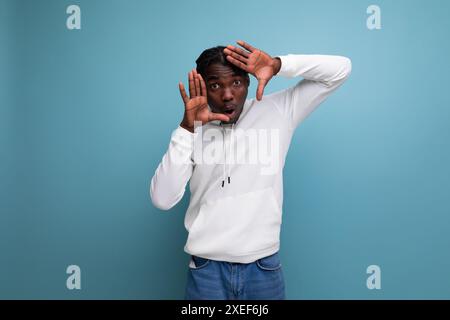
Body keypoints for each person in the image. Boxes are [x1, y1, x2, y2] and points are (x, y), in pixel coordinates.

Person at [150, 40, 352, 300]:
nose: (227, 95)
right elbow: (162, 199)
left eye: (236, 82)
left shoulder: (278, 111)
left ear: (248, 81)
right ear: (202, 87)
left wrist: (278, 65)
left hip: (263, 268)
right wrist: (187, 129)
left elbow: (341, 69)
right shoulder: (191, 131)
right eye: (215, 85)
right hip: (206, 270)